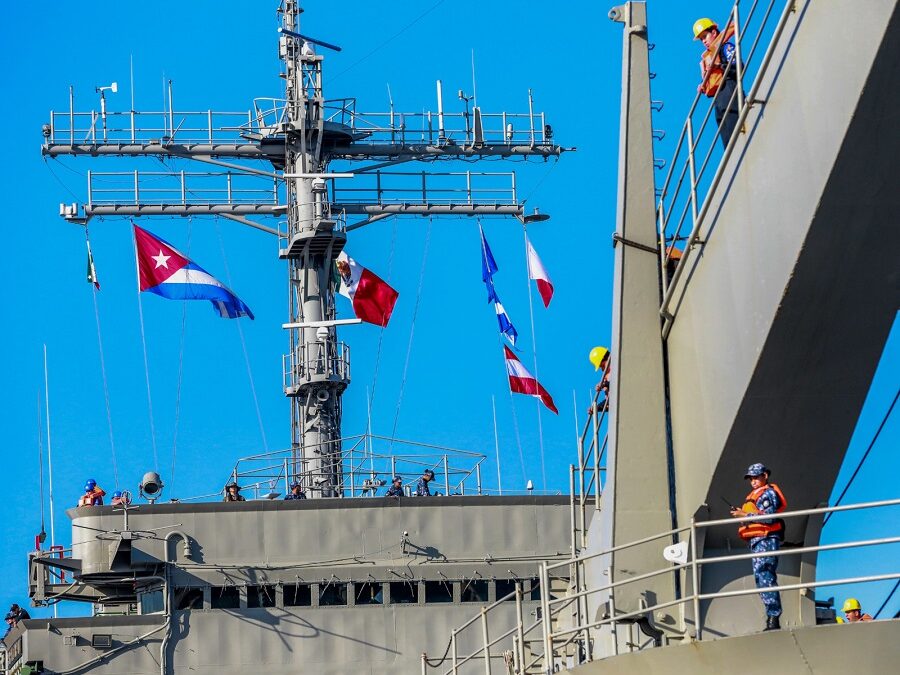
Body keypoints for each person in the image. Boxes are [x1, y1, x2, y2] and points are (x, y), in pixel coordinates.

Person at [730, 463, 787, 631]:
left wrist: (745, 515)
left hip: (766, 539)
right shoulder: (755, 494)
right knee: (761, 577)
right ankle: (771, 617)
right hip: (758, 540)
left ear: (765, 476)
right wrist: (744, 515)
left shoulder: (768, 493)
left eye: (756, 477)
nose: (753, 481)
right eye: (751, 478)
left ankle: (773, 618)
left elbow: (769, 518)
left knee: (765, 575)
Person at [694, 17, 739, 149]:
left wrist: (719, 65)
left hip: (728, 89)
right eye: (701, 39)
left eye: (705, 36)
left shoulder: (725, 47)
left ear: (714, 32)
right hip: (718, 99)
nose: (704, 41)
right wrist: (704, 85)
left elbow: (738, 66)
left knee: (733, 128)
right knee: (725, 135)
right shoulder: (708, 57)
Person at [587, 346, 611, 415]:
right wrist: (596, 408)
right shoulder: (606, 378)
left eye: (602, 366)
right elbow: (610, 402)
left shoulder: (620, 367)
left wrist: (605, 384)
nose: (603, 370)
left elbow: (623, 384)